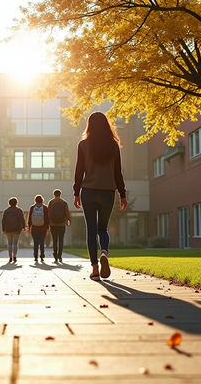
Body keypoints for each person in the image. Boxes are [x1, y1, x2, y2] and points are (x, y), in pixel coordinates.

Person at [73, 111, 127, 281]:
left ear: (89, 125)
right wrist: (123, 194)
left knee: (91, 229)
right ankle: (104, 251)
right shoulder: (113, 145)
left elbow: (79, 171)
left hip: (88, 191)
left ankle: (95, 268)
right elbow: (118, 172)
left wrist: (76, 192)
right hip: (108, 192)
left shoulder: (83, 145)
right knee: (103, 228)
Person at [47, 189, 71, 262]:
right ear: (60, 194)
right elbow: (67, 213)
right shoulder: (64, 202)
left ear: (54, 195)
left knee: (54, 240)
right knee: (61, 240)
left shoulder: (51, 202)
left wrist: (48, 223)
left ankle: (55, 256)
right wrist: (69, 220)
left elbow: (48, 213)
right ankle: (60, 255)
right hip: (62, 223)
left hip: (53, 224)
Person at [1, 197, 27, 262]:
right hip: (17, 229)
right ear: (16, 203)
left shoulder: (6, 211)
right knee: (15, 243)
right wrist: (24, 227)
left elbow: (3, 221)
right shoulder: (19, 211)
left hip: (8, 229)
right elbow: (22, 219)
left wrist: (3, 229)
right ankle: (14, 256)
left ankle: (10, 256)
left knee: (9, 243)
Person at [27, 194, 50, 263]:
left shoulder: (32, 207)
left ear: (35, 200)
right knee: (42, 242)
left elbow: (29, 218)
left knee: (35, 242)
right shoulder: (45, 208)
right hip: (43, 228)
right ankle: (42, 256)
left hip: (34, 228)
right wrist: (47, 228)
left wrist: (29, 226)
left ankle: (35, 256)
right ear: (42, 200)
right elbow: (47, 218)